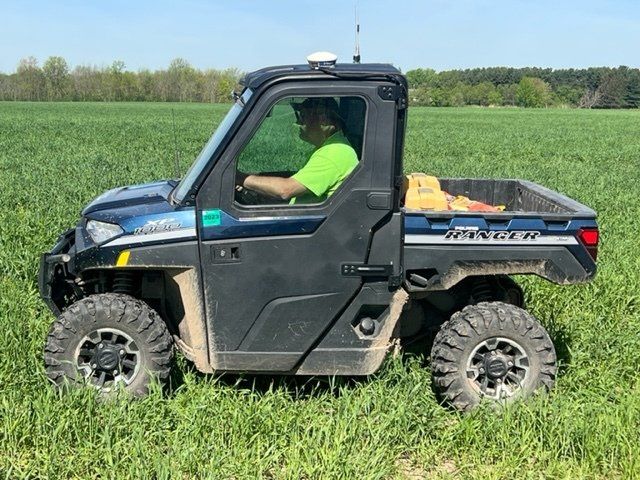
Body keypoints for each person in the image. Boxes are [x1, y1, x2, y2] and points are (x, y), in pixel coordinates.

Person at [235, 97, 358, 204]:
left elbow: (286, 190)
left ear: (324, 121)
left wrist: (242, 178)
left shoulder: (334, 153)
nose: (298, 123)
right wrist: (255, 181)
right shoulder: (330, 148)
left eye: (303, 117)